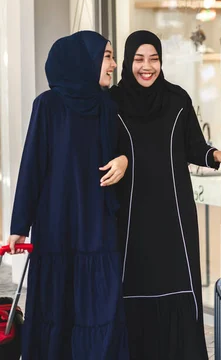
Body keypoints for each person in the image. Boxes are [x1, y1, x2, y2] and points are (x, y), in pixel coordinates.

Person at [110, 30, 221, 360]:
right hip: (129, 216)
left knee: (177, 288)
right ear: (128, 61)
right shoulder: (112, 103)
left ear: (161, 61)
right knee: (131, 287)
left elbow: (193, 145)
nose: (146, 67)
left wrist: (215, 155)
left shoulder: (177, 100)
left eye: (153, 59)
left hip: (173, 217)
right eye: (139, 59)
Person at [7, 31, 130, 359]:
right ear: (85, 60)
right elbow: (32, 164)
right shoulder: (48, 105)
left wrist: (124, 159)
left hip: (97, 221)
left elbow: (121, 150)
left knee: (100, 304)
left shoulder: (107, 107)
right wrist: (20, 224)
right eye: (107, 56)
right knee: (57, 305)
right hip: (57, 221)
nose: (114, 65)